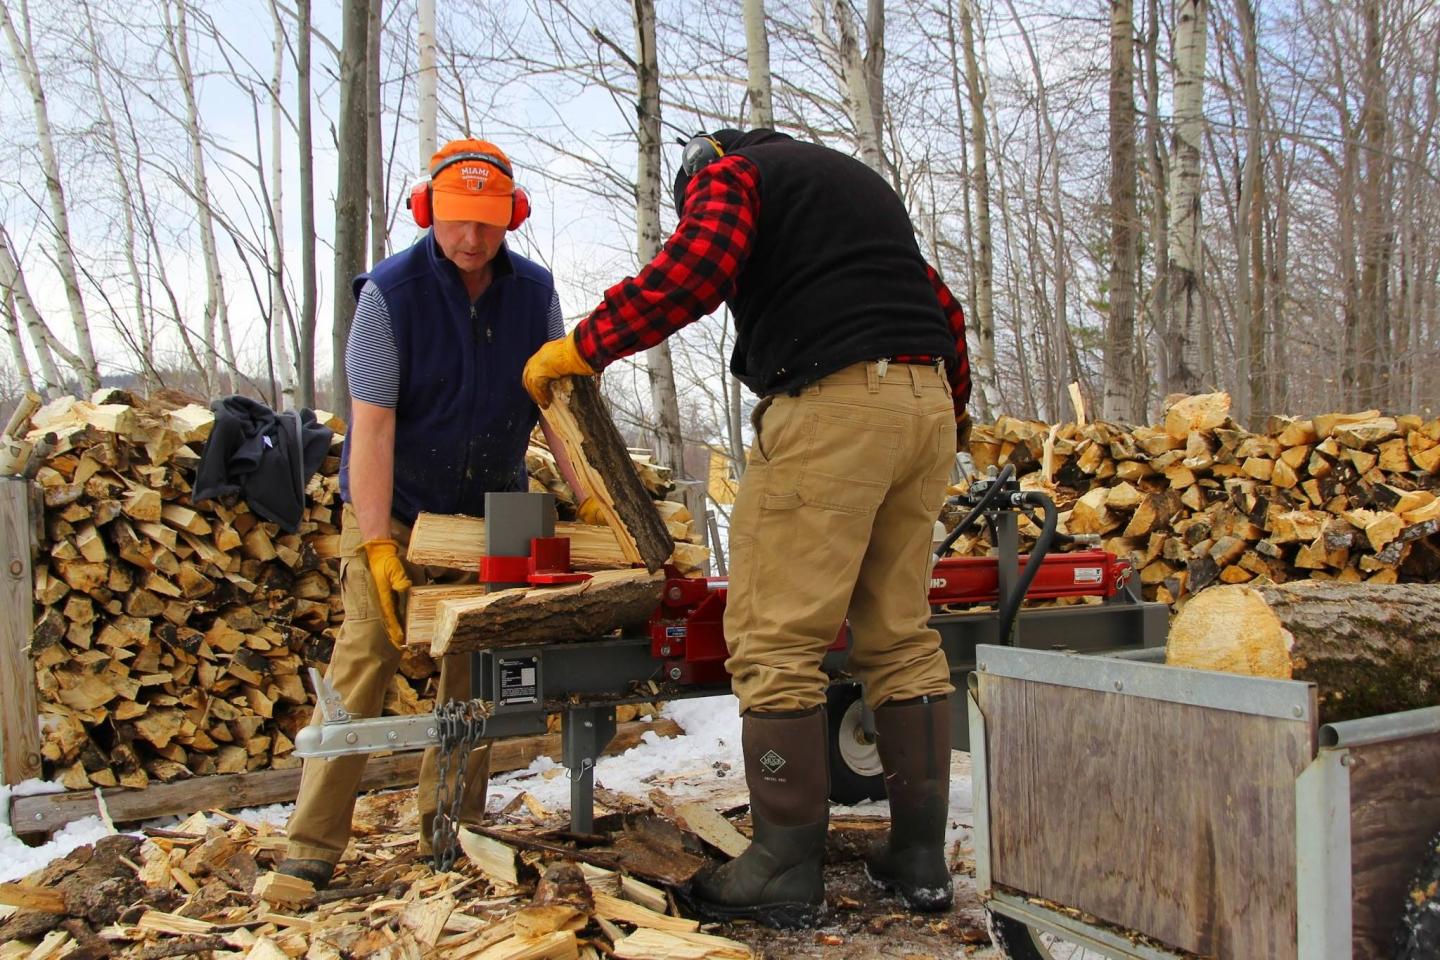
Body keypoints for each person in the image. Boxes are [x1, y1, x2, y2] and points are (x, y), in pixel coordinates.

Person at [523, 129, 972, 927]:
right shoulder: (849, 187)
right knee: (901, 638)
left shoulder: (731, 173)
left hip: (833, 405)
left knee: (774, 641)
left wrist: (583, 346)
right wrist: (945, 420)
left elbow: (697, 268)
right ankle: (919, 858)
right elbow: (942, 306)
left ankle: (783, 865)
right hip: (927, 403)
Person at [278, 138, 587, 889]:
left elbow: (557, 408)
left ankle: (447, 832)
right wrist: (379, 542)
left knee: (474, 674)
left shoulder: (534, 293)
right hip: (399, 504)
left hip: (491, 509)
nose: (472, 238)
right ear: (428, 211)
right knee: (363, 663)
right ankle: (311, 848)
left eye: (487, 222)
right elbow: (372, 426)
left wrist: (593, 501)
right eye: (457, 221)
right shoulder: (390, 295)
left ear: (512, 216)